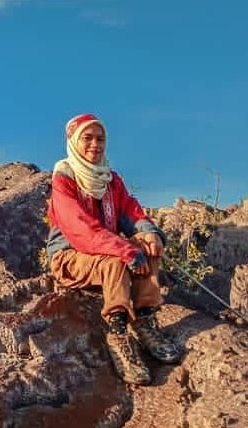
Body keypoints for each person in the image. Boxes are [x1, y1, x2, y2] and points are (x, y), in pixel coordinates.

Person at [46, 113, 182, 385]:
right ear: (73, 141)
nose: (95, 144)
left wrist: (149, 232)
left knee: (147, 245)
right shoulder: (64, 178)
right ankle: (118, 333)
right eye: (87, 138)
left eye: (100, 139)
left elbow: (131, 211)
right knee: (115, 261)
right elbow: (79, 229)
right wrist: (123, 249)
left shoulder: (110, 179)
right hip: (69, 256)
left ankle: (143, 320)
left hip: (104, 250)